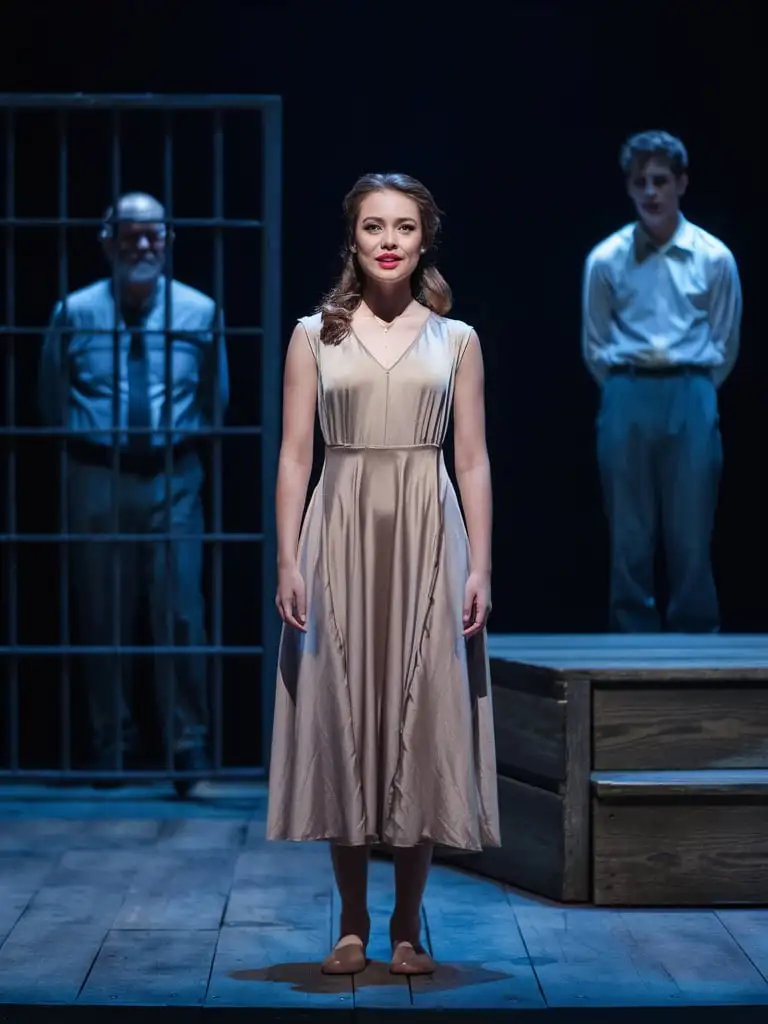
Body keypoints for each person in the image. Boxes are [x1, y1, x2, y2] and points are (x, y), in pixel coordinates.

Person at [266, 172, 500, 975]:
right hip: (341, 527)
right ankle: (351, 921)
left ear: (426, 236)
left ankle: (407, 922)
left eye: (404, 226)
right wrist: (289, 556)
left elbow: (471, 460)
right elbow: (296, 455)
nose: (389, 240)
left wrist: (482, 565)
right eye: (374, 227)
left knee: (424, 712)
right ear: (354, 239)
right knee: (344, 712)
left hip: (431, 531)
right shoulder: (313, 335)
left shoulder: (457, 339)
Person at [38, 191, 229, 795]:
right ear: (107, 241)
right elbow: (51, 396)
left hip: (174, 474)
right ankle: (110, 746)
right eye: (130, 234)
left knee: (180, 612)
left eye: (154, 235)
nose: (142, 245)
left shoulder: (200, 310)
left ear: (169, 241)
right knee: (102, 613)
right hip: (98, 474)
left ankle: (187, 748)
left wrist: (180, 452)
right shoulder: (74, 311)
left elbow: (215, 398)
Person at [582, 131, 742, 633]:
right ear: (629, 188)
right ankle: (632, 638)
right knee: (630, 527)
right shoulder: (606, 258)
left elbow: (725, 338)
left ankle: (696, 635)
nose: (650, 191)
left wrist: (696, 385)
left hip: (692, 390)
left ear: (681, 183)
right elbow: (595, 342)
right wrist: (624, 385)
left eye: (660, 180)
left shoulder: (714, 257)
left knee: (690, 525)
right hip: (627, 389)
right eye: (640, 182)